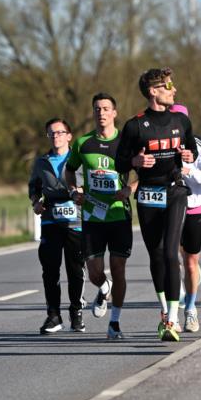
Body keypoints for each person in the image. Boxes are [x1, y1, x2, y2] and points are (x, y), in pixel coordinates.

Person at [115, 68, 197, 342]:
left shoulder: (181, 120)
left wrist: (188, 154)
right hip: (148, 193)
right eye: (168, 85)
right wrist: (135, 163)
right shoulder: (134, 125)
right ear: (153, 91)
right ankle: (164, 310)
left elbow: (192, 151)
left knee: (172, 253)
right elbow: (119, 163)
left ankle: (173, 319)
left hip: (174, 190)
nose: (174, 90)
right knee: (157, 254)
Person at [65, 94, 133, 340]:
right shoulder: (83, 143)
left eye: (106, 108)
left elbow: (144, 172)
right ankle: (104, 289)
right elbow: (69, 170)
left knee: (118, 269)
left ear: (114, 113)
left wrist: (130, 189)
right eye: (97, 109)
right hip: (93, 216)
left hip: (119, 215)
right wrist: (73, 190)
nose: (101, 113)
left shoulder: (126, 143)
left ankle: (114, 323)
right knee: (94, 272)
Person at [28, 118, 85, 335]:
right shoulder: (42, 162)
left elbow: (89, 182)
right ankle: (53, 316)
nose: (56, 136)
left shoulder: (78, 159)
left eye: (60, 132)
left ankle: (76, 313)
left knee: (75, 270)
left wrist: (81, 194)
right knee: (50, 270)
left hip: (75, 221)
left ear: (69, 136)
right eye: (51, 133)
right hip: (50, 220)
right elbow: (34, 186)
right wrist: (36, 201)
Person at [171, 104, 201, 332]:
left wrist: (191, 172)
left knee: (190, 262)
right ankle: (172, 314)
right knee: (171, 259)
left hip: (194, 210)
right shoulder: (161, 145)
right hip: (169, 210)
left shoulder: (198, 145)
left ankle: (190, 310)